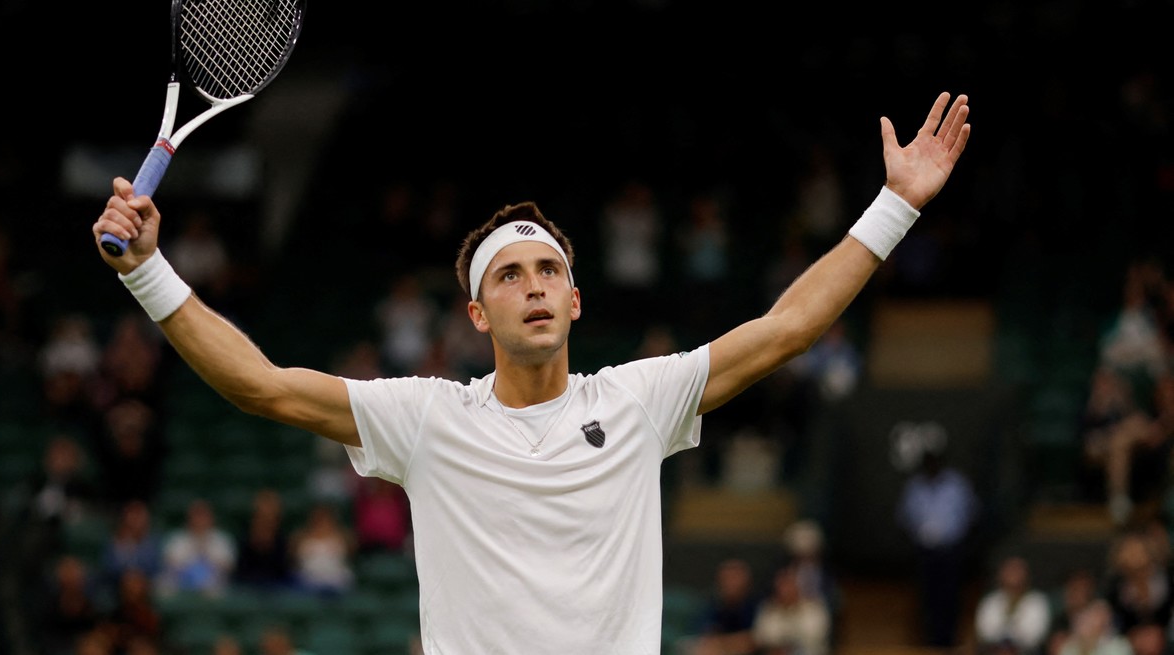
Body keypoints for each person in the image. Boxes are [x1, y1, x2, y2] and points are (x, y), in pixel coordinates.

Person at [91, 91, 971, 654]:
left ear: (577, 300)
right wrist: (146, 272)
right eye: (509, 276)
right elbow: (263, 384)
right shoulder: (427, 418)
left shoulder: (638, 398)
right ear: (478, 316)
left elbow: (787, 328)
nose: (534, 286)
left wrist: (895, 204)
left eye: (548, 271)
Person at [896, 444, 980, 649]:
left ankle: (949, 641)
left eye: (934, 463)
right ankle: (929, 642)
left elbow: (972, 513)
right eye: (927, 464)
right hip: (925, 552)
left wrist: (954, 535)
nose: (931, 467)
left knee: (950, 596)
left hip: (951, 551)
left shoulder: (957, 485)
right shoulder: (914, 487)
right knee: (928, 597)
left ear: (941, 464)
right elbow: (904, 517)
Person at [973, 555, 1051, 655]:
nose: (1014, 574)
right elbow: (985, 632)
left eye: (1017, 570)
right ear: (1001, 574)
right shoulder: (990, 601)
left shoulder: (1037, 600)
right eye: (1010, 570)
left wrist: (1012, 643)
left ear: (1026, 574)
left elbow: (1036, 635)